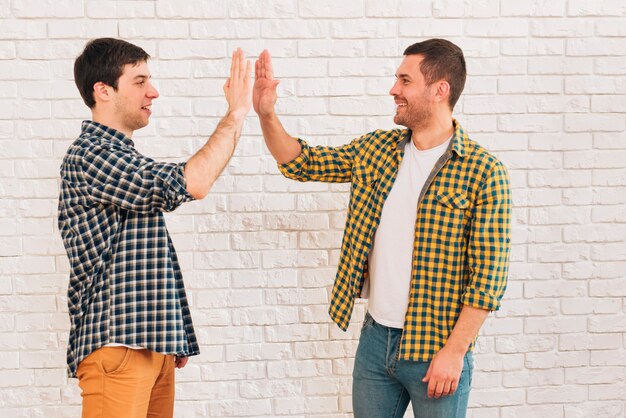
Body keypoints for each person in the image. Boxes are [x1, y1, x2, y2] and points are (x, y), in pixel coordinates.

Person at [253, 38, 511, 418]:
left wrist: (454, 353)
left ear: (440, 90)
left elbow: (489, 278)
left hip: (437, 348)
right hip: (376, 341)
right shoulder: (376, 150)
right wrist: (266, 115)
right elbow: (302, 163)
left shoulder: (483, 172)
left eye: (405, 81)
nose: (394, 90)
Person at [58, 38, 252, 418]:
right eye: (139, 81)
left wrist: (170, 334)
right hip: (119, 348)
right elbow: (191, 182)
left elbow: (144, 251)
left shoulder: (123, 157)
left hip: (149, 346)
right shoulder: (92, 156)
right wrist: (237, 113)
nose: (153, 92)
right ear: (103, 90)